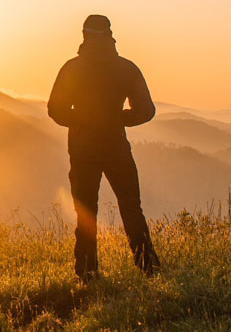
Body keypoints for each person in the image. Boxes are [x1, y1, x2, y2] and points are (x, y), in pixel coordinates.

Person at [47, 14, 161, 280]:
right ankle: (149, 268)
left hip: (82, 150)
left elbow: (55, 110)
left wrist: (83, 120)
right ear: (110, 34)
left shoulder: (72, 69)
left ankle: (87, 272)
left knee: (86, 212)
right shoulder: (126, 68)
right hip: (117, 149)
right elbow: (146, 111)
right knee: (131, 208)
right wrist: (118, 118)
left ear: (84, 35)